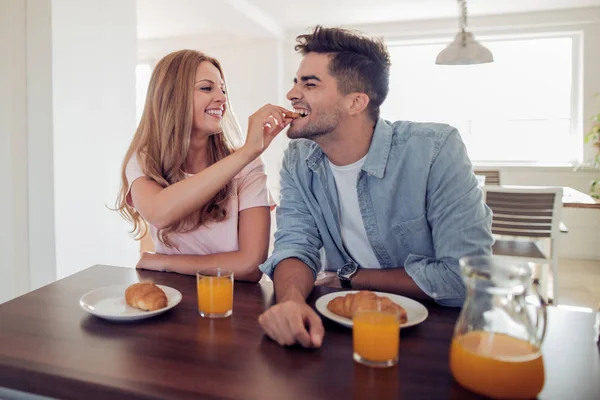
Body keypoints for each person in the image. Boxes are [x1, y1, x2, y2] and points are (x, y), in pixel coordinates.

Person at [257, 26, 493, 347]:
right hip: (340, 328)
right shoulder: (299, 158)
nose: (291, 94)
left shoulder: (434, 149)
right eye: (296, 82)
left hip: (437, 332)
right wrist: (291, 300)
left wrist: (348, 277)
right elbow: (294, 244)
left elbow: (465, 277)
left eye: (309, 84)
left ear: (355, 102)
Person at [115, 49, 294, 281]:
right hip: (170, 299)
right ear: (172, 96)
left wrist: (166, 262)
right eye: (206, 88)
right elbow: (159, 212)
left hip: (233, 302)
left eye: (223, 89)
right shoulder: (145, 161)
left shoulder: (248, 166)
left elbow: (250, 266)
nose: (222, 98)